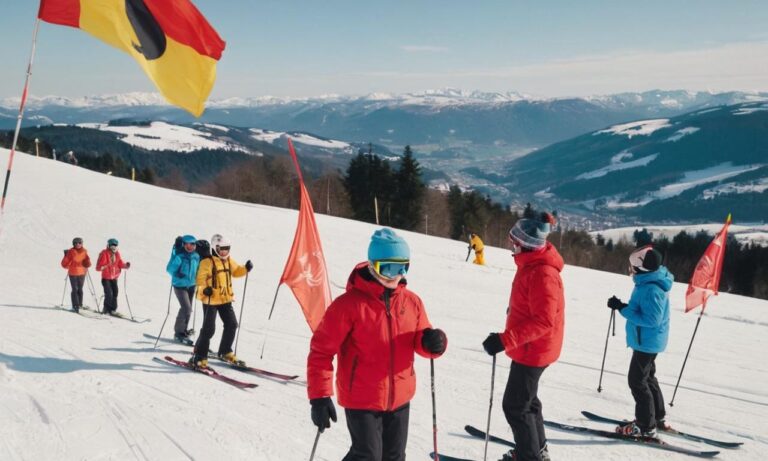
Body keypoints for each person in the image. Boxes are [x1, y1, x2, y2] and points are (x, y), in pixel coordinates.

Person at [307, 228, 448, 461]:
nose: (397, 275)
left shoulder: (412, 302)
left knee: (394, 457)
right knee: (368, 456)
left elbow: (421, 340)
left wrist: (433, 343)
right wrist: (319, 396)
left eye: (403, 267)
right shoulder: (348, 306)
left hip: (400, 397)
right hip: (362, 397)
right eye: (390, 268)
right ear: (373, 266)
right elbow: (320, 352)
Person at [482, 213, 564, 461]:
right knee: (528, 401)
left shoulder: (542, 273)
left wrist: (505, 339)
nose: (511, 247)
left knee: (515, 406)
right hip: (532, 347)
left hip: (534, 350)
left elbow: (543, 320)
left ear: (524, 244)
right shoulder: (532, 263)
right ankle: (536, 450)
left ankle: (529, 456)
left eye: (513, 243)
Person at [607, 245, 673, 438]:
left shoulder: (652, 289)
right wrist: (623, 306)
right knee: (648, 377)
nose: (630, 270)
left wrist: (622, 309)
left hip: (647, 342)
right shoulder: (650, 282)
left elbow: (652, 320)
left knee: (636, 381)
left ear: (641, 269)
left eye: (632, 267)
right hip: (649, 341)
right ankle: (656, 417)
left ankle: (646, 425)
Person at [189, 234, 252, 368]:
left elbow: (236, 271)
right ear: (214, 248)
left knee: (232, 324)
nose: (224, 251)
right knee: (209, 329)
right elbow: (200, 280)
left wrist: (245, 269)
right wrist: (205, 289)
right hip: (210, 300)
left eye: (226, 248)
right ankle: (199, 356)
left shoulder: (228, 260)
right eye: (221, 249)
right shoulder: (207, 262)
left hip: (225, 299)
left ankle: (225, 351)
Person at [166, 235, 201, 345]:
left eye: (192, 244)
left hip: (191, 285)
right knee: (186, 307)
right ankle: (178, 333)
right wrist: (177, 274)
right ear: (184, 245)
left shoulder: (196, 256)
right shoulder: (179, 256)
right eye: (187, 244)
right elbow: (169, 269)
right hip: (180, 286)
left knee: (189, 310)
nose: (189, 246)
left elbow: (199, 269)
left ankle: (184, 330)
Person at [95, 238, 130, 315]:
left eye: (115, 245)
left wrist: (126, 266)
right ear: (108, 245)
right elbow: (98, 267)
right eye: (111, 245)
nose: (113, 247)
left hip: (114, 278)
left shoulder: (117, 254)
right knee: (109, 293)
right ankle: (106, 309)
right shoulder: (104, 253)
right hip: (106, 278)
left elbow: (120, 263)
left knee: (115, 293)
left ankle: (112, 309)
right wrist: (106, 265)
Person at [61, 237, 91, 312]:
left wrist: (87, 263)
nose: (78, 244)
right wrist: (65, 256)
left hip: (82, 273)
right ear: (73, 244)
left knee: (80, 289)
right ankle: (75, 306)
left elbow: (88, 262)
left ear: (82, 243)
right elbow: (64, 264)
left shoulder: (84, 251)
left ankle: (79, 305)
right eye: (76, 243)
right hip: (73, 273)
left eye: (79, 243)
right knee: (75, 289)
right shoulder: (71, 251)